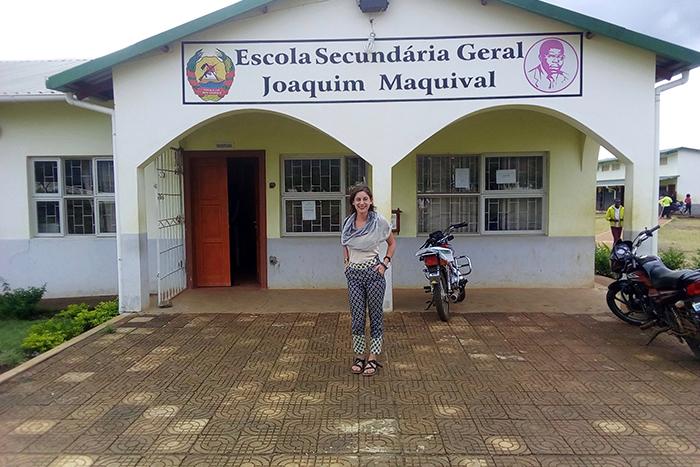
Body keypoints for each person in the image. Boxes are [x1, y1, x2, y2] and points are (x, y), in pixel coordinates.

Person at [341, 185, 396, 377]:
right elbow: (345, 244)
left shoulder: (379, 222)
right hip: (354, 276)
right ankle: (359, 356)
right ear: (353, 203)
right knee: (357, 318)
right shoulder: (348, 223)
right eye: (358, 200)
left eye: (365, 199)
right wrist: (346, 264)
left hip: (374, 275)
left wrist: (384, 264)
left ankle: (372, 357)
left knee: (375, 317)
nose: (362, 203)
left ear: (370, 201)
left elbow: (392, 243)